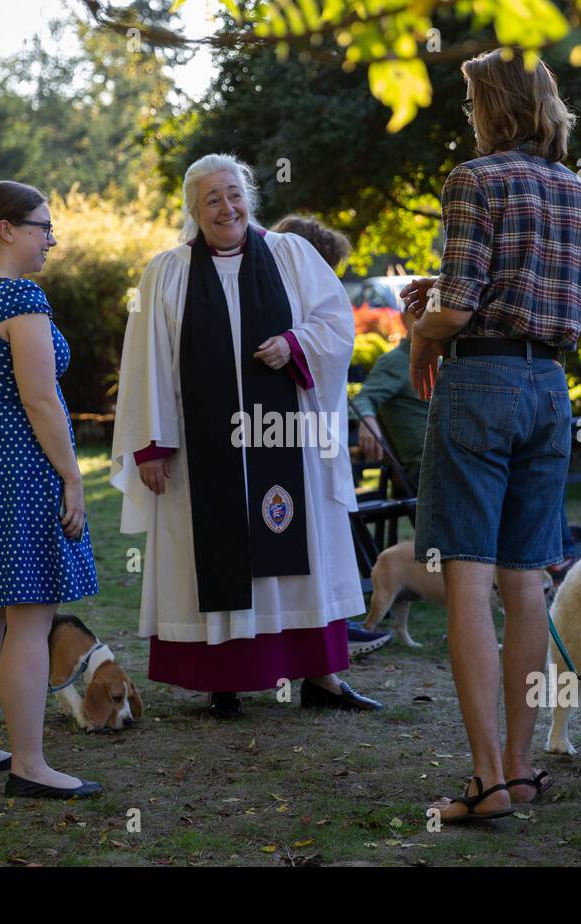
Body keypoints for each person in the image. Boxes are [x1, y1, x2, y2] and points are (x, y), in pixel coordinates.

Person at [401, 50, 581, 822]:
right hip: (550, 387)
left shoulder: (473, 179)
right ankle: (521, 772)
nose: (468, 119)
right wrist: (448, 305)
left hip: (481, 381)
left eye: (470, 105)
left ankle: (485, 781)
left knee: (468, 580)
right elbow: (554, 300)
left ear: (491, 107)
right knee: (527, 584)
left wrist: (422, 331)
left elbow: (458, 311)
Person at [110, 154, 383, 718]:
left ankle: (322, 679)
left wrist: (295, 343)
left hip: (286, 441)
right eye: (211, 199)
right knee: (217, 555)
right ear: (193, 211)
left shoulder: (291, 256)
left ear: (248, 198)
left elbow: (336, 323)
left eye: (233, 194)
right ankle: (224, 680)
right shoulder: (168, 272)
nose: (225, 207)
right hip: (199, 456)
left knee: (298, 550)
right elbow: (146, 363)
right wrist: (152, 444)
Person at [0, 180, 102, 799]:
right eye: (43, 227)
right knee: (31, 619)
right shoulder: (19, 298)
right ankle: (29, 765)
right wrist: (73, 475)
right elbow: (39, 398)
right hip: (21, 467)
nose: (51, 239)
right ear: (7, 228)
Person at [271, 213, 394, 658]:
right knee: (306, 533)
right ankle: (320, 636)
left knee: (324, 533)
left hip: (315, 430)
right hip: (284, 435)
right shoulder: (280, 298)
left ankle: (332, 629)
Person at [350, 305, 431, 491]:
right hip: (427, 469)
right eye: (417, 313)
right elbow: (363, 399)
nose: (425, 319)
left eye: (430, 313)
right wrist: (366, 421)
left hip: (447, 462)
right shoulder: (395, 362)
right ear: (403, 319)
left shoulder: (440, 359)